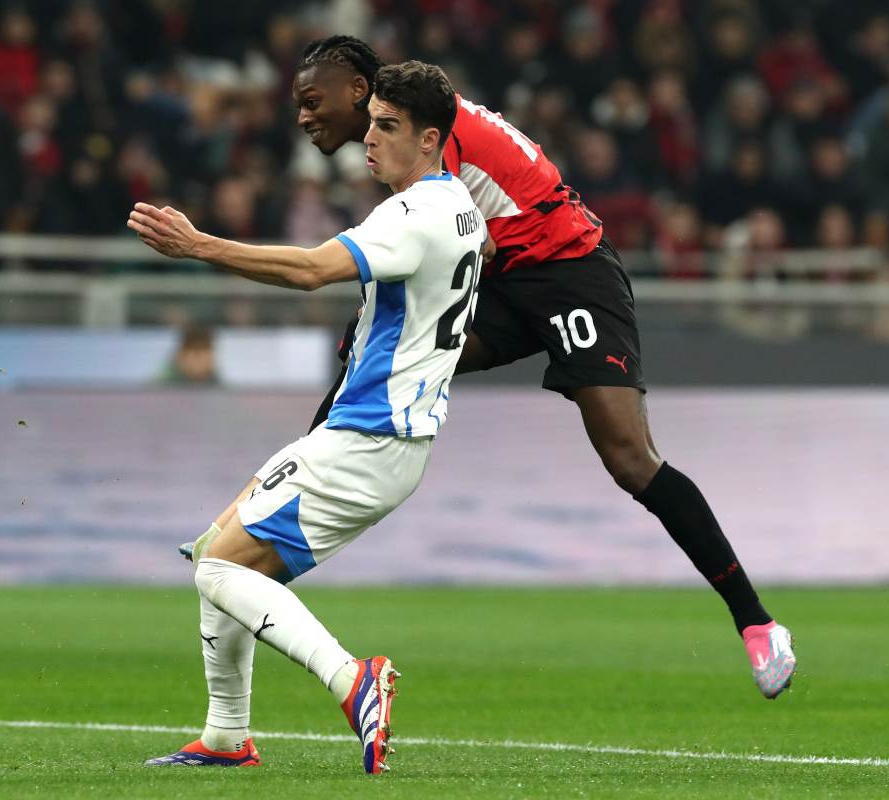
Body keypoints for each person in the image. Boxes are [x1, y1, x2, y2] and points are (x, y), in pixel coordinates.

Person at [291, 36, 796, 700]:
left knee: (629, 458)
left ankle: (757, 624)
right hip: (502, 276)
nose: (304, 117)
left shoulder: (427, 127)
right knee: (366, 350)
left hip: (568, 271)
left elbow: (470, 239)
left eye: (312, 100)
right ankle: (277, 509)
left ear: (359, 93)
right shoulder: (406, 124)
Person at [128, 61, 486, 773]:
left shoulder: (412, 215)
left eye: (389, 126)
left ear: (431, 140)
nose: (371, 139)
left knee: (217, 572)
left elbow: (309, 272)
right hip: (377, 437)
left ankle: (352, 680)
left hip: (371, 437)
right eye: (373, 121)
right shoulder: (463, 210)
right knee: (220, 549)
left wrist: (198, 246)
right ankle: (226, 736)